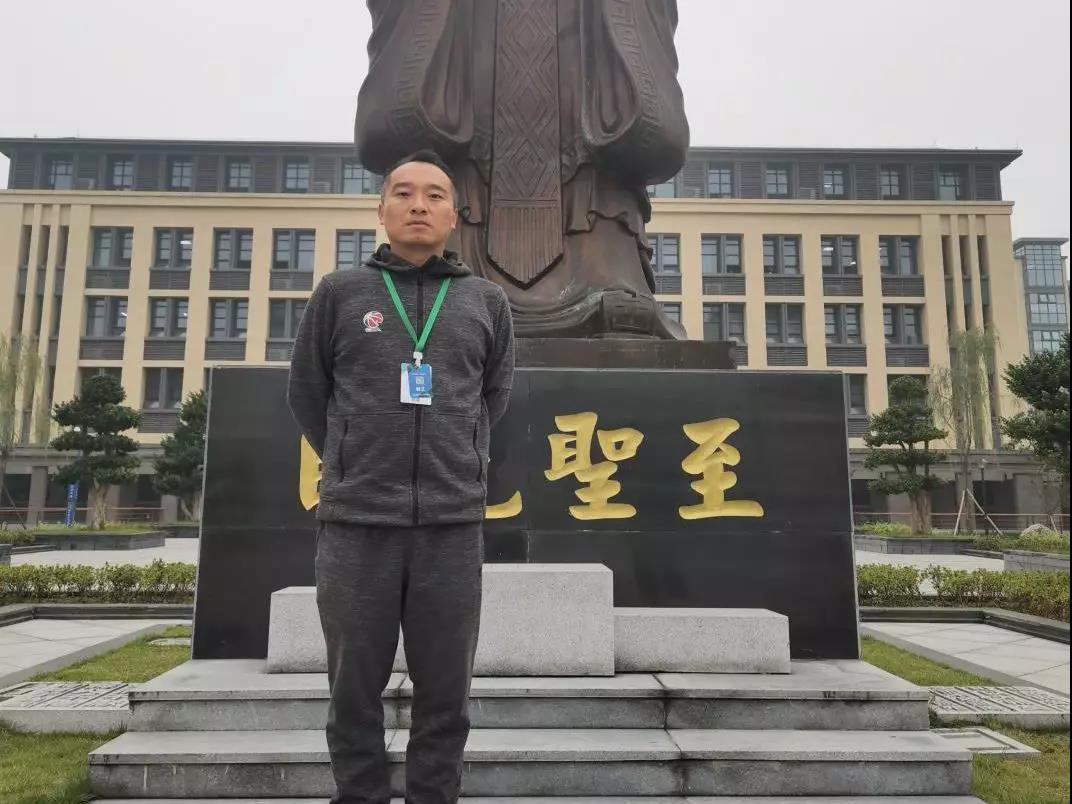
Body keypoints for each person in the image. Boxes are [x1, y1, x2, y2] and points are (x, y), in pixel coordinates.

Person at [286, 149, 515, 804]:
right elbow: (308, 394)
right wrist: (354, 456)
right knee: (353, 690)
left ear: (455, 215)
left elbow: (492, 397)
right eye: (404, 193)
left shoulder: (486, 301)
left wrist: (454, 453)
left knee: (447, 693)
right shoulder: (340, 293)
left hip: (451, 525)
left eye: (435, 195)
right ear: (381, 209)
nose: (419, 205)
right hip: (357, 526)